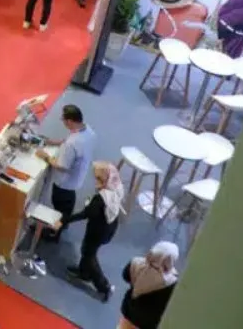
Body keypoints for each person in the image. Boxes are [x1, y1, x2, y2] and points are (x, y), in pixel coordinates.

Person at [60, 161, 124, 300]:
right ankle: (83, 272)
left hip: (98, 230)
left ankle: (104, 286)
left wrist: (64, 220)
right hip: (109, 226)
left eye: (99, 179)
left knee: (89, 254)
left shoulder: (101, 198)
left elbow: (86, 213)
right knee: (87, 250)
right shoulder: (116, 187)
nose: (96, 181)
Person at [37, 104, 96, 241]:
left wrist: (45, 157)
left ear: (69, 121)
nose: (62, 121)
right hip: (77, 178)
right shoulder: (88, 131)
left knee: (59, 206)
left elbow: (62, 166)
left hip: (64, 183)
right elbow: (70, 141)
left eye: (63, 119)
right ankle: (63, 224)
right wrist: (56, 142)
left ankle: (54, 234)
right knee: (67, 206)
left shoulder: (72, 144)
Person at [119, 242, 179, 329]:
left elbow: (125, 276)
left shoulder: (136, 263)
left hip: (129, 313)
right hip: (148, 323)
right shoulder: (171, 282)